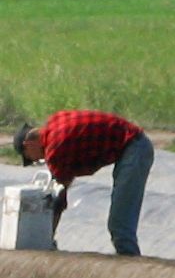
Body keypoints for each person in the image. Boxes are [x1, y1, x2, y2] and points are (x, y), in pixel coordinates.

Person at [14, 110, 151, 258]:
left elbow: (58, 200)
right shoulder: (55, 122)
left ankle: (132, 265)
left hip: (134, 148)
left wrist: (47, 240)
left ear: (29, 145)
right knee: (119, 225)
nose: (37, 160)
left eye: (31, 158)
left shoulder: (55, 149)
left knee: (119, 226)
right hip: (131, 143)